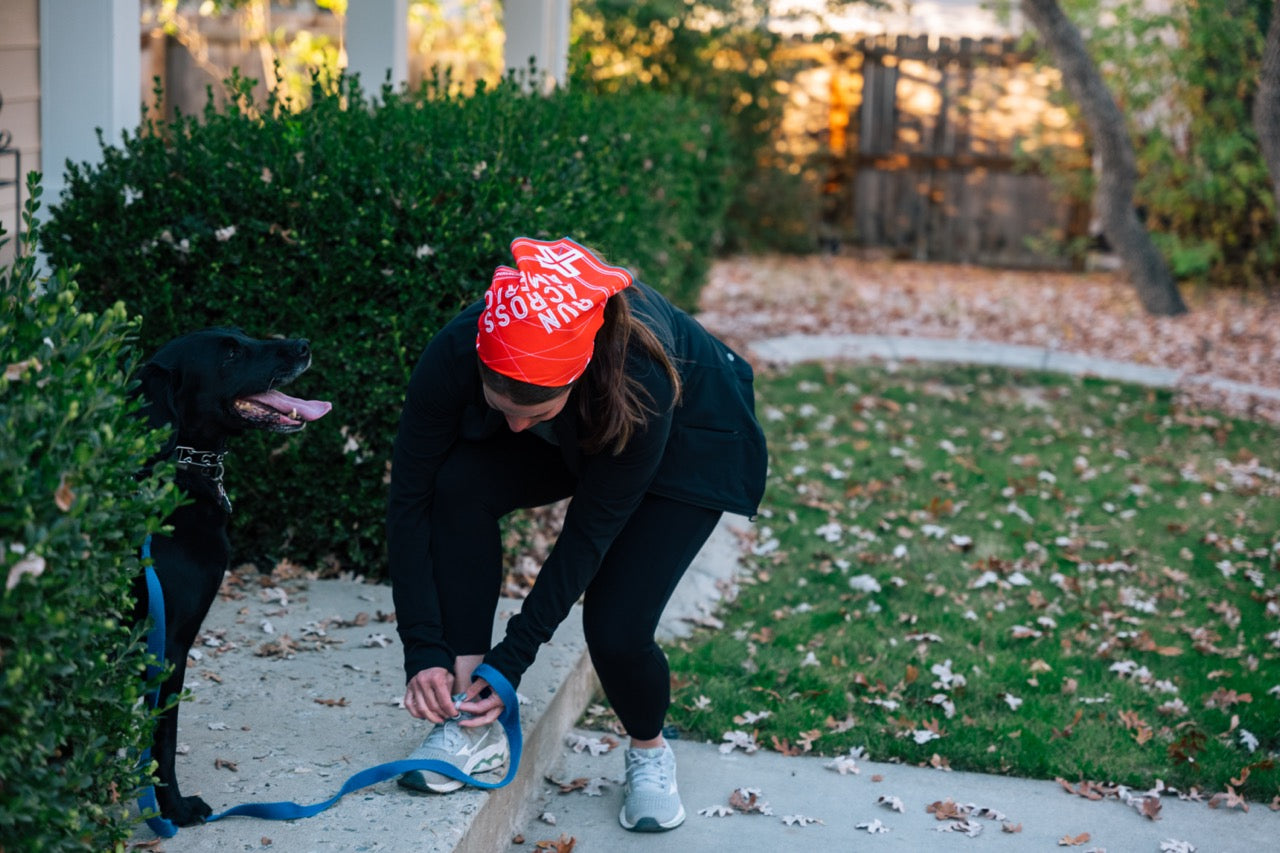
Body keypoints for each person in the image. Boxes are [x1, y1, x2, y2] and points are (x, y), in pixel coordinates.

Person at [386, 237, 767, 832]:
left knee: (616, 628)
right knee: (457, 486)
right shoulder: (460, 348)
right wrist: (423, 650)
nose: (513, 427)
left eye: (533, 413)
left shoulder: (641, 378)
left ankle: (649, 751)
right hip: (581, 428)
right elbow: (409, 498)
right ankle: (466, 719)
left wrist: (511, 664)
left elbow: (585, 538)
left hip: (687, 441)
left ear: (575, 374)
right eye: (501, 406)